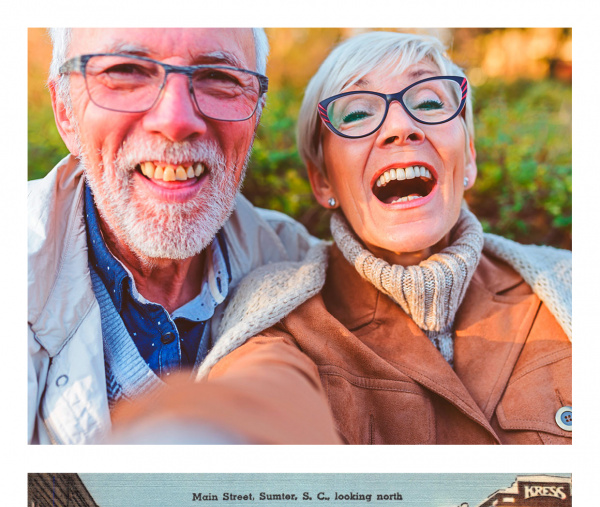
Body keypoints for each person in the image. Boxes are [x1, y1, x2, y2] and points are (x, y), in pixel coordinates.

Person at [202, 30, 571, 444]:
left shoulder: (569, 287)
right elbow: (254, 406)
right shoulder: (278, 319)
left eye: (430, 103)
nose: (400, 127)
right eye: (357, 113)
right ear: (322, 181)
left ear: (468, 157)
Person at [28, 27, 336, 445]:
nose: (175, 121)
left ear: (257, 112)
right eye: (126, 72)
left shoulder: (300, 266)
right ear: (65, 110)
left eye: (219, 78)